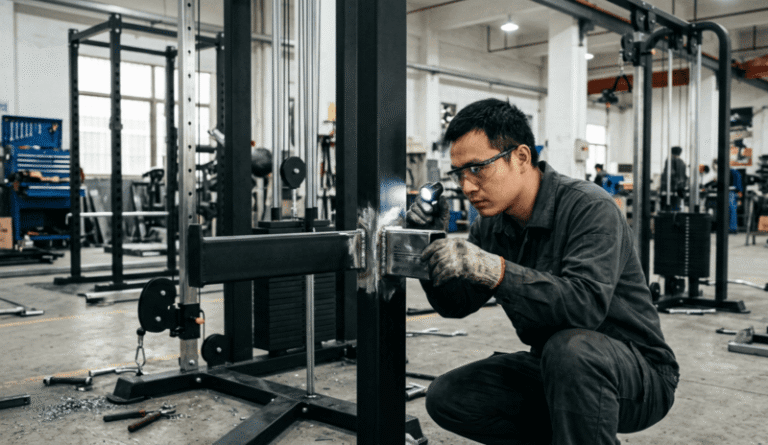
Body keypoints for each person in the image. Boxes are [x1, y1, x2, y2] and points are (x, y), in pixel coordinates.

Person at [406, 98, 678, 445]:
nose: (467, 186)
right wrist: (426, 247)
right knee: (450, 396)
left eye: (478, 168)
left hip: (638, 375)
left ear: (521, 157)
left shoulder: (589, 207)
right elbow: (456, 305)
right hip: (557, 368)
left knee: (572, 350)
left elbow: (584, 306)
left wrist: (495, 270)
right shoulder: (491, 227)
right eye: (459, 174)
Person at [660, 146, 687, 210]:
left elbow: (669, 173)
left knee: (667, 209)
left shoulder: (669, 160)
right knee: (676, 208)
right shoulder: (682, 162)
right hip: (679, 188)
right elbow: (684, 176)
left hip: (670, 188)